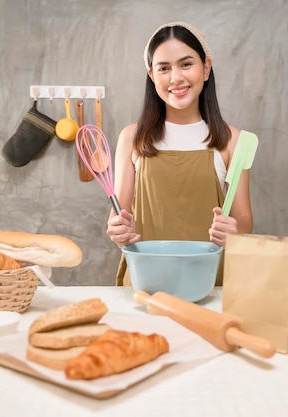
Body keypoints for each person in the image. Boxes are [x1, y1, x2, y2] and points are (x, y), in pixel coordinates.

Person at [107, 21, 253, 286]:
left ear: (206, 68)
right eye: (164, 68)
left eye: (186, 64)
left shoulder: (234, 141)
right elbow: (121, 213)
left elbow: (244, 219)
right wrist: (118, 230)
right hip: (144, 280)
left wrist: (234, 229)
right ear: (152, 76)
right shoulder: (132, 137)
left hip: (209, 282)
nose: (176, 78)